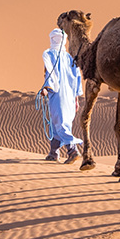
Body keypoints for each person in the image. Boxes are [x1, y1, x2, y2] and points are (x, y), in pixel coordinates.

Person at [41, 28, 84, 163]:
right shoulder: (70, 58)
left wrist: (46, 87)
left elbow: (50, 73)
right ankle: (53, 153)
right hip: (70, 97)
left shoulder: (49, 55)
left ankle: (73, 150)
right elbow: (77, 78)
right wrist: (76, 99)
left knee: (60, 124)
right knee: (57, 123)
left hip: (57, 94)